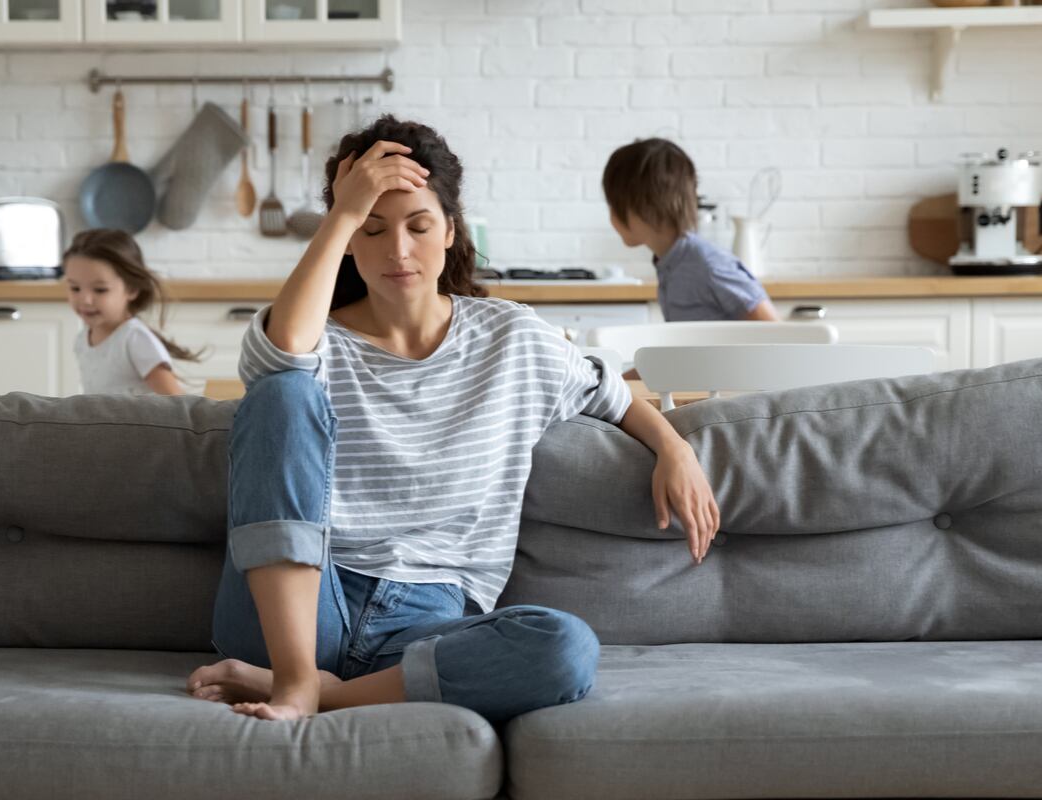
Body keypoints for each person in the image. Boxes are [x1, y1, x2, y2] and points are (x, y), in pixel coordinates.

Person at [187, 116, 720, 724]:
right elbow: (281, 355)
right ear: (348, 238)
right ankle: (294, 671)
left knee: (565, 647)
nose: (397, 250)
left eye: (418, 226)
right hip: (299, 601)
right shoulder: (314, 340)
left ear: (449, 232)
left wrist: (675, 449)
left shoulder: (512, 339)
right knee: (282, 393)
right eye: (371, 227)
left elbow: (615, 398)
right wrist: (341, 210)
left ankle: (314, 691)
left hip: (427, 622)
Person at [603, 138, 779, 322]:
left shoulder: (709, 265)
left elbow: (775, 333)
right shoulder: (670, 263)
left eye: (614, 205)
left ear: (645, 207)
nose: (611, 216)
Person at [62, 229, 202, 396]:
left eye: (100, 290)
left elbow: (177, 402)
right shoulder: (82, 339)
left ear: (132, 288)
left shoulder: (135, 340)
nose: (85, 299)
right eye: (75, 288)